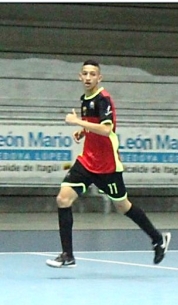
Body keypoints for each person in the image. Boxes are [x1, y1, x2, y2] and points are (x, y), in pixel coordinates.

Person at [46, 60, 171, 268]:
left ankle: (158, 238)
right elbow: (94, 127)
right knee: (63, 199)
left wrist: (77, 122)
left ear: (99, 78)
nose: (88, 77)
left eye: (92, 74)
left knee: (123, 206)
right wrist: (83, 131)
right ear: (79, 76)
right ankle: (68, 255)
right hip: (86, 161)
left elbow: (105, 129)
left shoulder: (104, 99)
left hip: (107, 166)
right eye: (84, 73)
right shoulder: (85, 99)